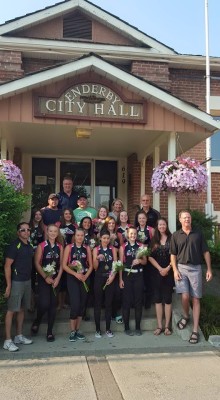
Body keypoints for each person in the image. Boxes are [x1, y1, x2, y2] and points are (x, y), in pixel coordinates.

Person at [170, 210, 212, 344]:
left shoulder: (198, 234)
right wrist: (175, 270)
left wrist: (209, 269)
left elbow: (205, 252)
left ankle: (194, 330)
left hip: (196, 269)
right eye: (184, 217)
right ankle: (186, 315)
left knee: (196, 299)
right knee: (185, 296)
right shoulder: (176, 235)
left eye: (189, 217)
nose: (187, 219)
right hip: (181, 268)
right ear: (180, 219)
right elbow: (173, 255)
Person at [3, 222, 33, 352]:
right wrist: (9, 285)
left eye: (28, 230)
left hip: (27, 281)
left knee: (21, 309)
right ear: (18, 232)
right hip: (16, 282)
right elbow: (7, 265)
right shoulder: (14, 246)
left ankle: (18, 336)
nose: (26, 232)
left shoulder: (29, 245)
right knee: (11, 310)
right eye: (23, 230)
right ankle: (7, 340)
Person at [32, 224, 63, 342]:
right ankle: (37, 320)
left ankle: (49, 332)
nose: (53, 233)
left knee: (52, 305)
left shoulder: (60, 246)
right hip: (44, 278)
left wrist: (58, 279)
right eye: (51, 231)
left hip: (56, 279)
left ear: (57, 233)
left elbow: (61, 265)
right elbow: (37, 263)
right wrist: (45, 277)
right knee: (44, 303)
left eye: (55, 231)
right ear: (47, 232)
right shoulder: (42, 246)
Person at [63, 228, 93, 342]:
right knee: (75, 304)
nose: (80, 237)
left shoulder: (87, 248)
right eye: (78, 235)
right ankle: (72, 331)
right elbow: (64, 265)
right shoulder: (69, 247)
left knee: (82, 305)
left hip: (84, 278)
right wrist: (75, 274)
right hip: (73, 278)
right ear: (74, 236)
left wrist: (86, 276)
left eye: (82, 235)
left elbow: (90, 265)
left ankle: (78, 329)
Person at [119, 226, 147, 336]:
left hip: (138, 276)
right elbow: (120, 264)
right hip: (127, 276)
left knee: (138, 302)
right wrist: (120, 279)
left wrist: (139, 260)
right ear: (127, 235)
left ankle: (138, 327)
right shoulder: (123, 247)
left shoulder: (141, 246)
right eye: (131, 233)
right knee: (126, 302)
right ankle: (126, 327)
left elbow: (145, 262)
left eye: (135, 234)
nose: (133, 235)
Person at [148, 218, 174, 336]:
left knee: (167, 299)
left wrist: (168, 268)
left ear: (166, 225)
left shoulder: (172, 238)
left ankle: (167, 326)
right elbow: (150, 256)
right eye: (160, 224)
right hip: (156, 273)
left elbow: (175, 255)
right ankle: (159, 326)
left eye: (164, 224)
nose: (162, 226)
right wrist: (160, 269)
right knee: (157, 299)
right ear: (157, 226)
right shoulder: (154, 240)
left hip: (169, 272)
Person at [93, 230, 117, 338]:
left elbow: (116, 265)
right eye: (104, 238)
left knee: (109, 304)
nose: (106, 240)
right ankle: (98, 329)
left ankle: (108, 329)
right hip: (99, 278)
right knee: (97, 304)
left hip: (110, 278)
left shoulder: (113, 249)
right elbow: (94, 267)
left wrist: (112, 276)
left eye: (108, 238)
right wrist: (97, 259)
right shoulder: (96, 249)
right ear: (100, 238)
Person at [58, 208, 77, 310]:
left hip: (70, 252)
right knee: (59, 276)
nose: (68, 215)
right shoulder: (58, 225)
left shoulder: (75, 226)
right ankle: (59, 303)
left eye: (69, 214)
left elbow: (75, 240)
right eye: (66, 213)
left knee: (66, 278)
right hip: (59, 251)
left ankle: (65, 302)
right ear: (63, 215)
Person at [135, 210, 154, 309]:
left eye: (143, 218)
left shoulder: (151, 230)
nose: (142, 220)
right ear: (137, 220)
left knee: (148, 279)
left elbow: (155, 244)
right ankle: (139, 300)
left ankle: (148, 301)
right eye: (140, 218)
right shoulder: (135, 230)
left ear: (146, 219)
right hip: (139, 257)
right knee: (139, 280)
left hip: (148, 257)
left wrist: (145, 247)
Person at [29, 209, 44, 312]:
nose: (38, 216)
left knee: (39, 278)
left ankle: (39, 303)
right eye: (36, 214)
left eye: (40, 214)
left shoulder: (43, 228)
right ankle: (31, 303)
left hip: (39, 256)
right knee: (31, 279)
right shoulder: (28, 227)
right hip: (29, 256)